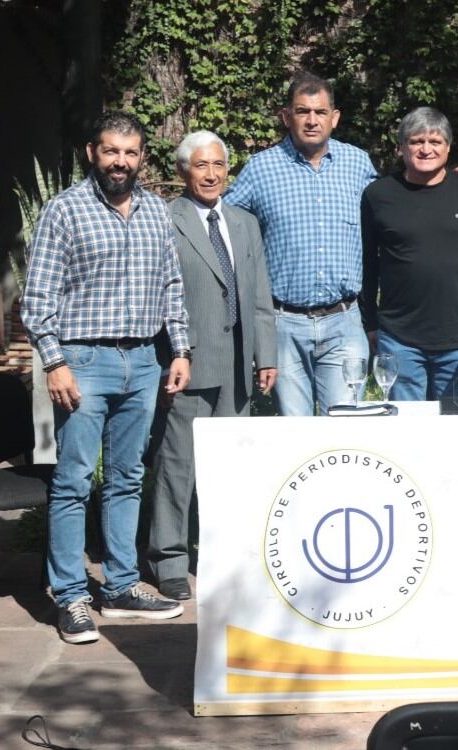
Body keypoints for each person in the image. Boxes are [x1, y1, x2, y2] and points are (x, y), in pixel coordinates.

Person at [22, 112, 190, 643]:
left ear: (142, 157)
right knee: (72, 482)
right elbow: (37, 299)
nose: (121, 161)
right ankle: (70, 595)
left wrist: (179, 350)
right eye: (111, 151)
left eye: (131, 152)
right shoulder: (64, 211)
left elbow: (171, 285)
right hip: (84, 363)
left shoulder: (156, 212)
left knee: (127, 477)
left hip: (142, 361)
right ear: (93, 152)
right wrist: (54, 360)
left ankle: (120, 586)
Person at [146, 131, 277, 601]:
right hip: (189, 361)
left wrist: (268, 353)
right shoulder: (165, 220)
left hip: (241, 363)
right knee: (177, 465)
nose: (212, 174)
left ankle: (223, 556)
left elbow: (259, 294)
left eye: (219, 165)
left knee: (230, 469)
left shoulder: (244, 222)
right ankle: (169, 560)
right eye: (201, 165)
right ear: (183, 171)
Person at [226, 71, 377, 415]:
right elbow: (223, 222)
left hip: (344, 320)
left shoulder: (358, 163)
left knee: (346, 427)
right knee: (296, 433)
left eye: (320, 112)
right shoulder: (261, 169)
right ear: (286, 116)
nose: (312, 121)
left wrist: (450, 179)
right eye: (302, 111)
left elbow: (393, 206)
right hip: (284, 324)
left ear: (334, 118)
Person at [361, 107, 458, 401]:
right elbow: (368, 264)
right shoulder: (378, 195)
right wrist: (370, 323)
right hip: (399, 340)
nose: (426, 149)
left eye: (435, 142)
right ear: (401, 147)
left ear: (448, 147)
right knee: (406, 433)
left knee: (456, 431)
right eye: (417, 141)